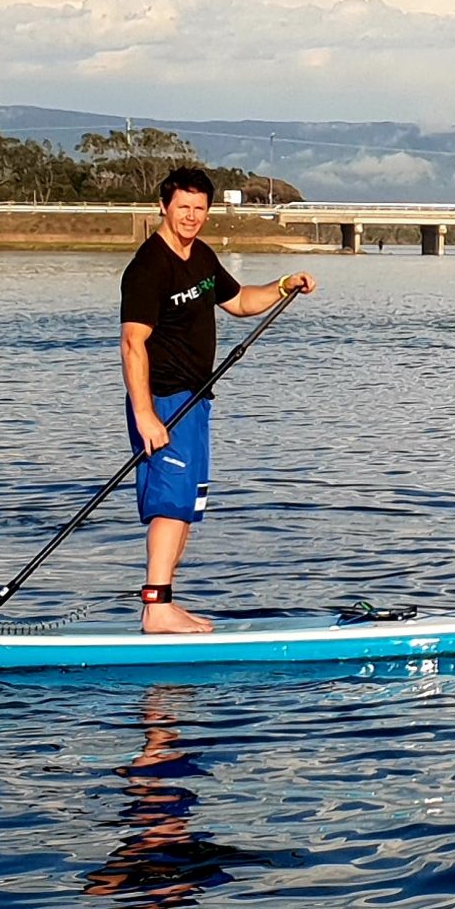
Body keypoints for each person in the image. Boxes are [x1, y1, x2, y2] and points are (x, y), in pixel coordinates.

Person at [120, 166, 316, 634]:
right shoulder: (149, 267)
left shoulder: (202, 258)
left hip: (195, 400)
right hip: (163, 402)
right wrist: (146, 414)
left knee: (186, 505)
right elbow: (132, 343)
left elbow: (241, 301)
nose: (191, 217)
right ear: (164, 208)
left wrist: (283, 284)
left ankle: (165, 602)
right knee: (169, 505)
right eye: (182, 208)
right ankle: (155, 608)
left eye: (199, 209)